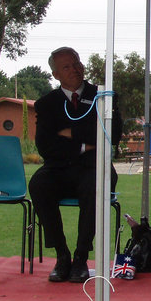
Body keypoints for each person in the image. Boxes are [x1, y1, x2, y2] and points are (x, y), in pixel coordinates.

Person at [28, 47, 122, 284]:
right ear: (56, 74)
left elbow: (111, 135)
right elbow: (46, 146)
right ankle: (62, 255)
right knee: (38, 184)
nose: (75, 70)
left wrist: (71, 133)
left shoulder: (103, 95)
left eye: (77, 63)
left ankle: (81, 257)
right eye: (67, 67)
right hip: (60, 168)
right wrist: (86, 143)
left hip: (94, 167)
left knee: (96, 184)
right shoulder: (46, 104)